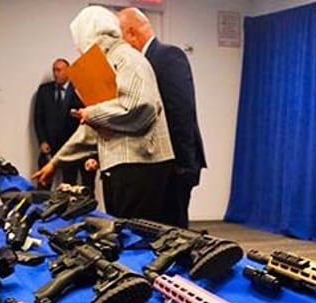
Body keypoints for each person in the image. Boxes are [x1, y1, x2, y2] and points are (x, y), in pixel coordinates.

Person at [32, 7, 173, 220]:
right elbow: (95, 127)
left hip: (139, 168)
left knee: (134, 238)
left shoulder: (128, 58)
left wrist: (91, 112)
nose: (78, 48)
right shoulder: (107, 62)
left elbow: (139, 107)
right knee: (122, 233)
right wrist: (55, 163)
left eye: (78, 40)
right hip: (122, 168)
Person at [118, 8, 206, 228]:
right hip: (155, 166)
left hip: (175, 166)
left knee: (174, 231)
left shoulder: (167, 56)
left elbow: (181, 111)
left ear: (130, 33)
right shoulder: (140, 63)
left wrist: (184, 165)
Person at [33, 58, 94, 189]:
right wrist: (42, 141)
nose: (56, 73)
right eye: (54, 70)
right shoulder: (45, 90)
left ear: (68, 71)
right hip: (50, 145)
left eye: (59, 70)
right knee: (43, 183)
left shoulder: (78, 90)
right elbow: (38, 118)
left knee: (69, 185)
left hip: (71, 145)